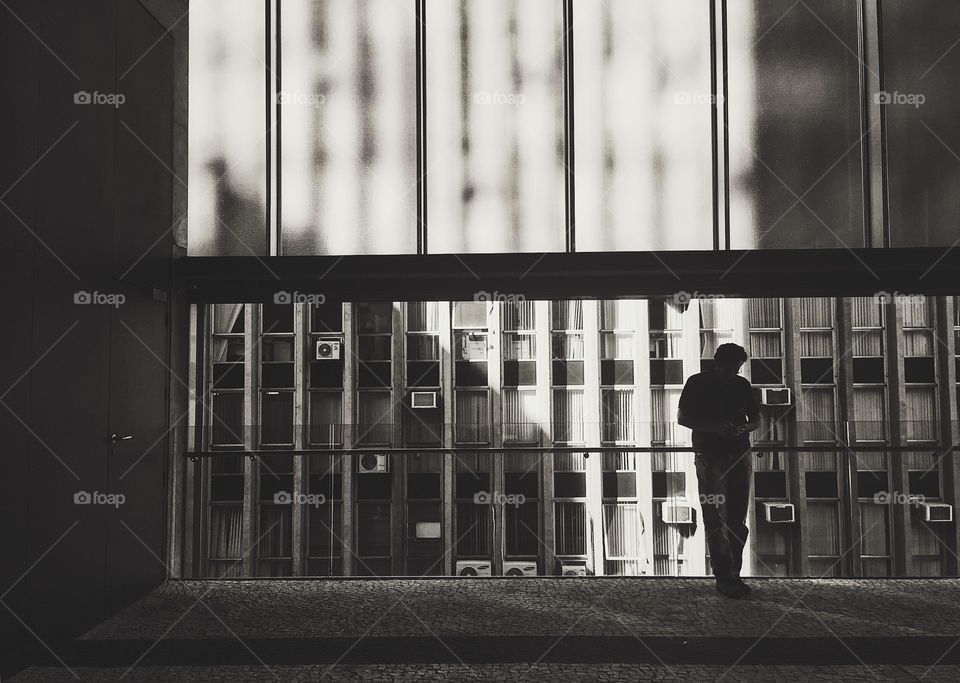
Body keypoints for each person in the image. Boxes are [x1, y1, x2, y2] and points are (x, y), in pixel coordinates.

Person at [678, 343, 761, 599]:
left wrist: (740, 429)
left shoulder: (738, 384)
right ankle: (727, 576)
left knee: (730, 518)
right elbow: (682, 418)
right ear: (719, 363)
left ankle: (729, 576)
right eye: (732, 366)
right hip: (716, 455)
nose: (735, 371)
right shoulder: (699, 383)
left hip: (725, 454)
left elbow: (756, 420)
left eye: (738, 367)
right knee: (720, 519)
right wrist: (719, 428)